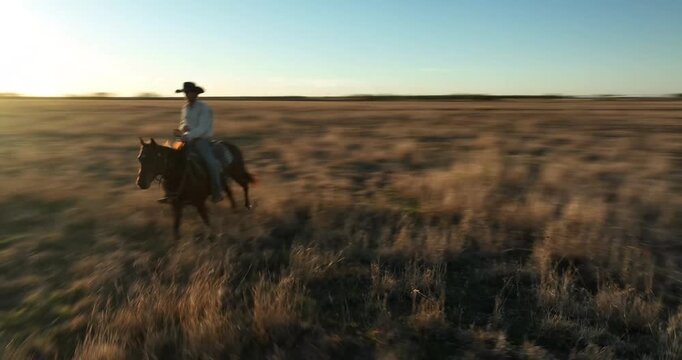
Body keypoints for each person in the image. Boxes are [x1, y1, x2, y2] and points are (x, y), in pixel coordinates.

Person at [158, 81, 224, 203]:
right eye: (186, 92)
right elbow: (183, 122)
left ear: (196, 93)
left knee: (211, 163)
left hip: (202, 140)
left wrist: (187, 135)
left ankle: (217, 192)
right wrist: (182, 128)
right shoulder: (185, 108)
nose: (188, 94)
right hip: (186, 139)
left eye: (190, 92)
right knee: (171, 161)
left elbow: (203, 127)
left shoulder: (204, 108)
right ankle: (171, 193)